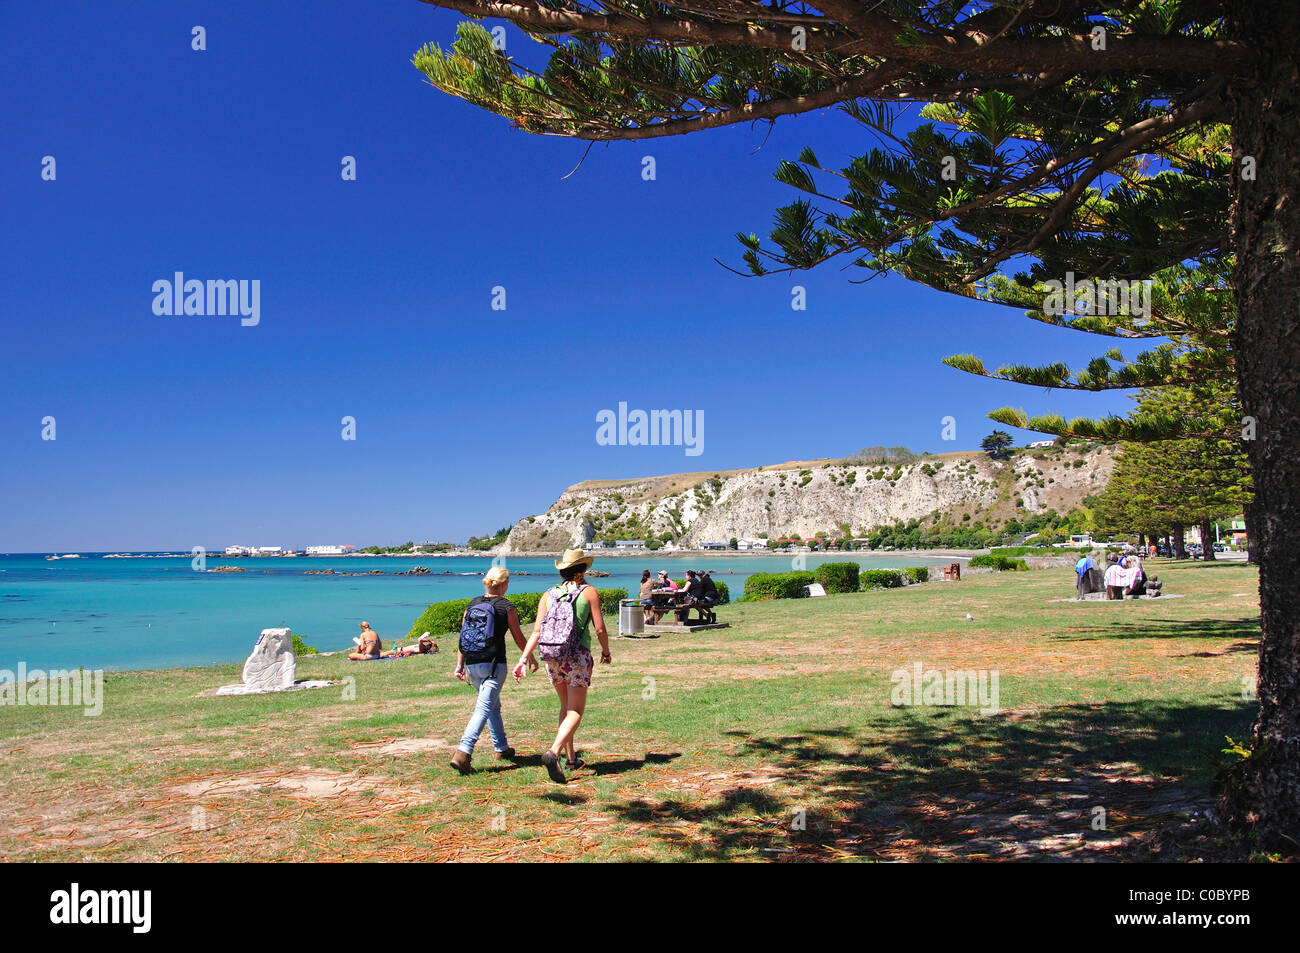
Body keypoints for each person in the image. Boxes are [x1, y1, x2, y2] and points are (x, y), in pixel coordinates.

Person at [513, 549, 611, 784]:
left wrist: (522, 659)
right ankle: (554, 752)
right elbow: (599, 629)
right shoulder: (589, 592)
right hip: (577, 656)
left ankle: (570, 758)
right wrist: (606, 651)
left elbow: (536, 631)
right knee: (575, 710)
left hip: (552, 657)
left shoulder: (548, 594)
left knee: (565, 706)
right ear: (583, 570)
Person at [449, 566, 535, 775]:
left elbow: (463, 637)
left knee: (492, 705)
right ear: (504, 584)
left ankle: (501, 748)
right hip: (494, 665)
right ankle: (463, 752)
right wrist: (529, 656)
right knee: (483, 708)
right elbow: (518, 636)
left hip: (472, 663)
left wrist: (459, 664)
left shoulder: (473, 604)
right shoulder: (506, 606)